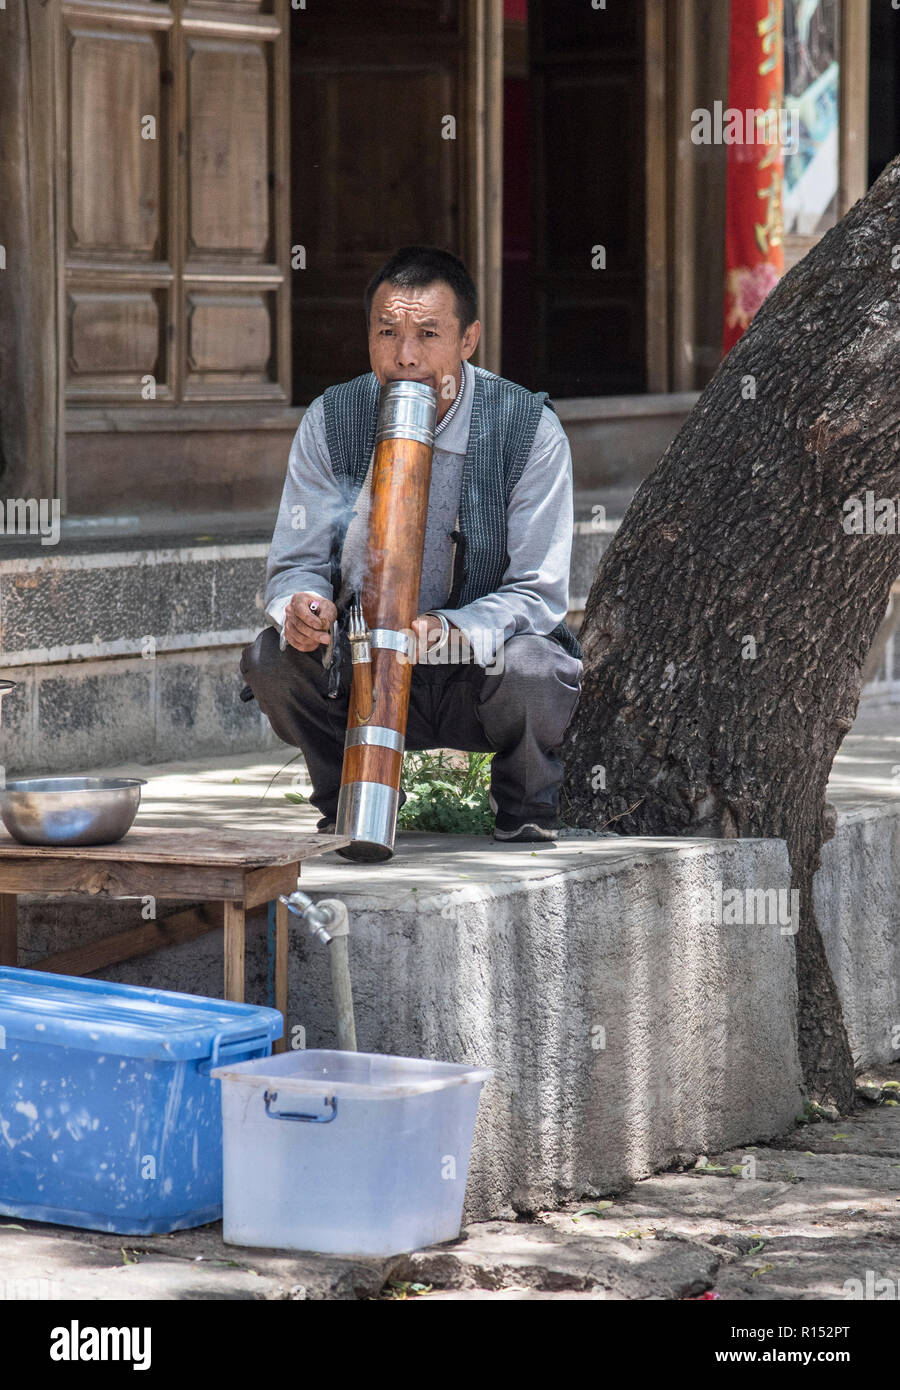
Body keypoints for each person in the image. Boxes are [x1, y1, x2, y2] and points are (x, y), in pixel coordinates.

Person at [240, 245, 582, 844]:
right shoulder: (333, 418)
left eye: (428, 334)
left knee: (535, 667)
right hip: (363, 661)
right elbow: (296, 563)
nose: (405, 357)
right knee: (271, 660)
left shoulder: (528, 428)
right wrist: (301, 605)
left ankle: (526, 809)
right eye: (387, 332)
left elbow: (539, 591)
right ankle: (347, 798)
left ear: (468, 340)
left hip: (473, 673)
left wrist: (450, 630)